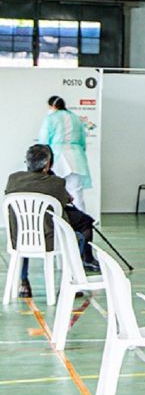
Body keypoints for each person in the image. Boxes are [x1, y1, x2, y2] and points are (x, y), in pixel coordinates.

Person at [5, 145, 79, 297]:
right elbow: (64, 202)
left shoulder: (13, 179)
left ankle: (23, 282)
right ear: (47, 164)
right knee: (79, 238)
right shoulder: (57, 183)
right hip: (49, 241)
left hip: (18, 239)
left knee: (25, 231)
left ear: (27, 162)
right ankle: (69, 281)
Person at [38, 95, 91, 212]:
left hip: (57, 157)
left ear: (52, 106)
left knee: (55, 190)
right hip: (77, 159)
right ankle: (81, 224)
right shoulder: (76, 119)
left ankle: (57, 224)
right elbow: (82, 142)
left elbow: (43, 140)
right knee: (76, 192)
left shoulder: (51, 118)